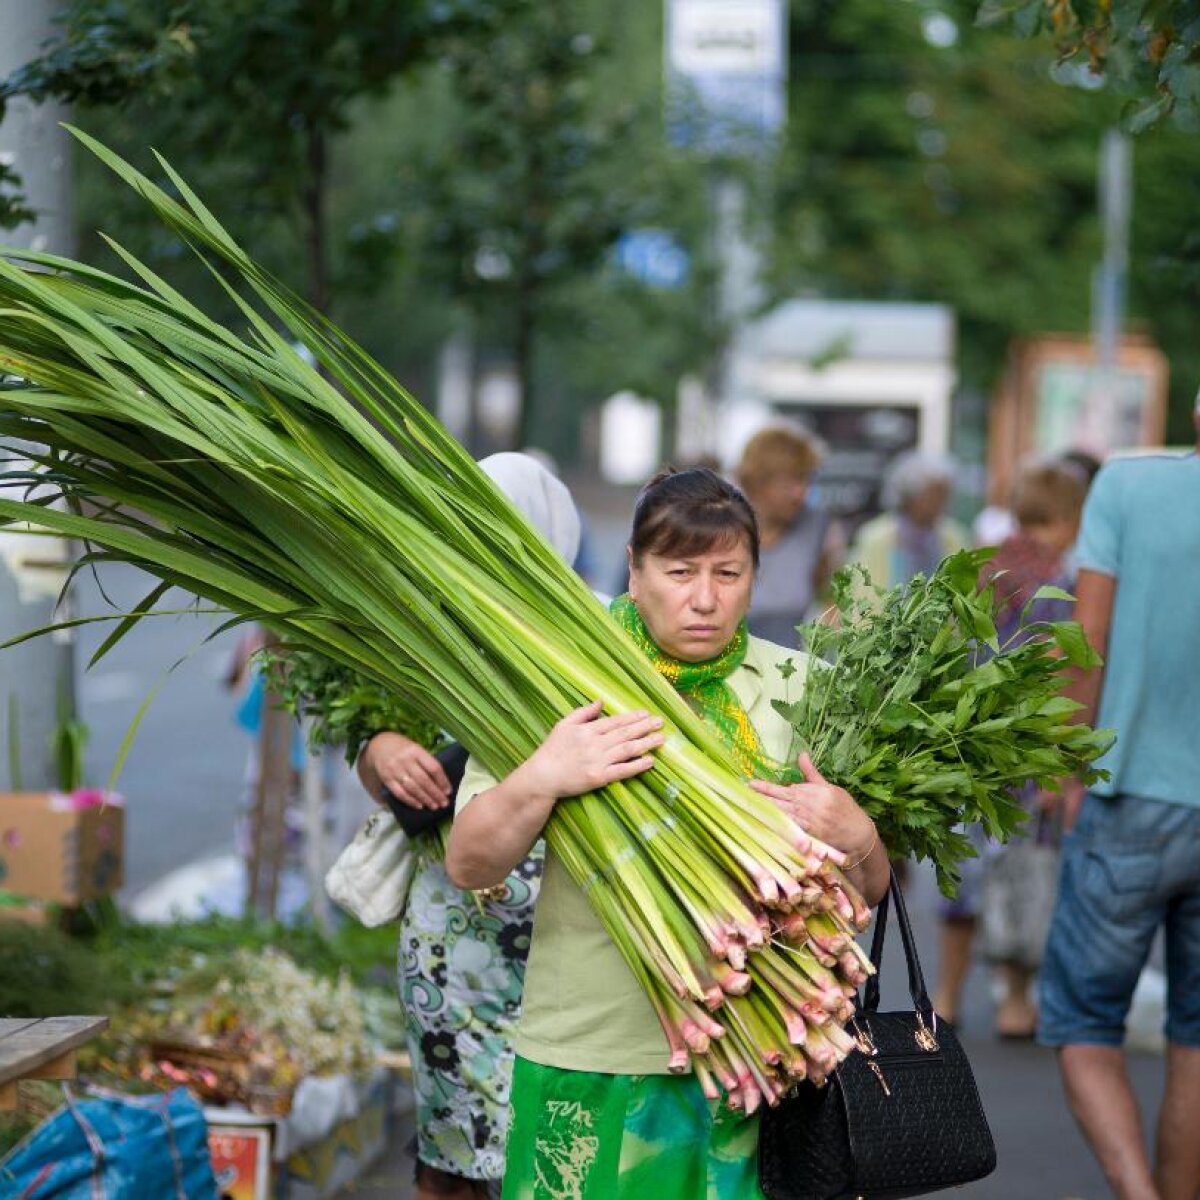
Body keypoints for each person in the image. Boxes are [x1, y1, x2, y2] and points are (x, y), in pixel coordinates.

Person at [446, 467, 890, 1199]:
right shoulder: (557, 684)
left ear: (756, 575)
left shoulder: (804, 688)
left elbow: (869, 891)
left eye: (728, 572)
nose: (705, 599)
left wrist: (860, 834)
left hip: (752, 1065)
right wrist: (547, 773)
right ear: (633, 567)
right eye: (679, 571)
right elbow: (468, 860)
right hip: (586, 1050)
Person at [356, 453, 582, 1200]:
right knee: (450, 1156)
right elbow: (368, 744)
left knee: (556, 1153)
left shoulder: (602, 637)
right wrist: (381, 754)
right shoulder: (422, 626)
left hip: (565, 939)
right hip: (454, 951)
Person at [1037, 406, 1200, 1200]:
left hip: (1128, 799)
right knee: (1197, 1045)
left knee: (1083, 1022)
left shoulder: (1127, 485)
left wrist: (1068, 768)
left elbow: (1085, 639)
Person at [932, 459, 1086, 1036]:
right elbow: (1065, 673)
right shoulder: (1064, 585)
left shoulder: (981, 571)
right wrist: (1062, 767)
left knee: (964, 881)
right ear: (1070, 518)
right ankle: (1015, 1001)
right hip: (1029, 753)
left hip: (969, 748)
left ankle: (947, 992)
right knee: (1024, 877)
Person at [736, 425, 840, 645]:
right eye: (791, 481)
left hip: (790, 665)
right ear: (758, 482)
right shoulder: (721, 529)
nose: (802, 492)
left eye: (806, 480)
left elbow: (831, 604)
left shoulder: (816, 527)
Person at [847, 451, 968, 588]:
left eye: (943, 495)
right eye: (932, 495)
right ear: (910, 495)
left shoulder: (954, 537)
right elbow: (864, 591)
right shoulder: (877, 537)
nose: (939, 502)